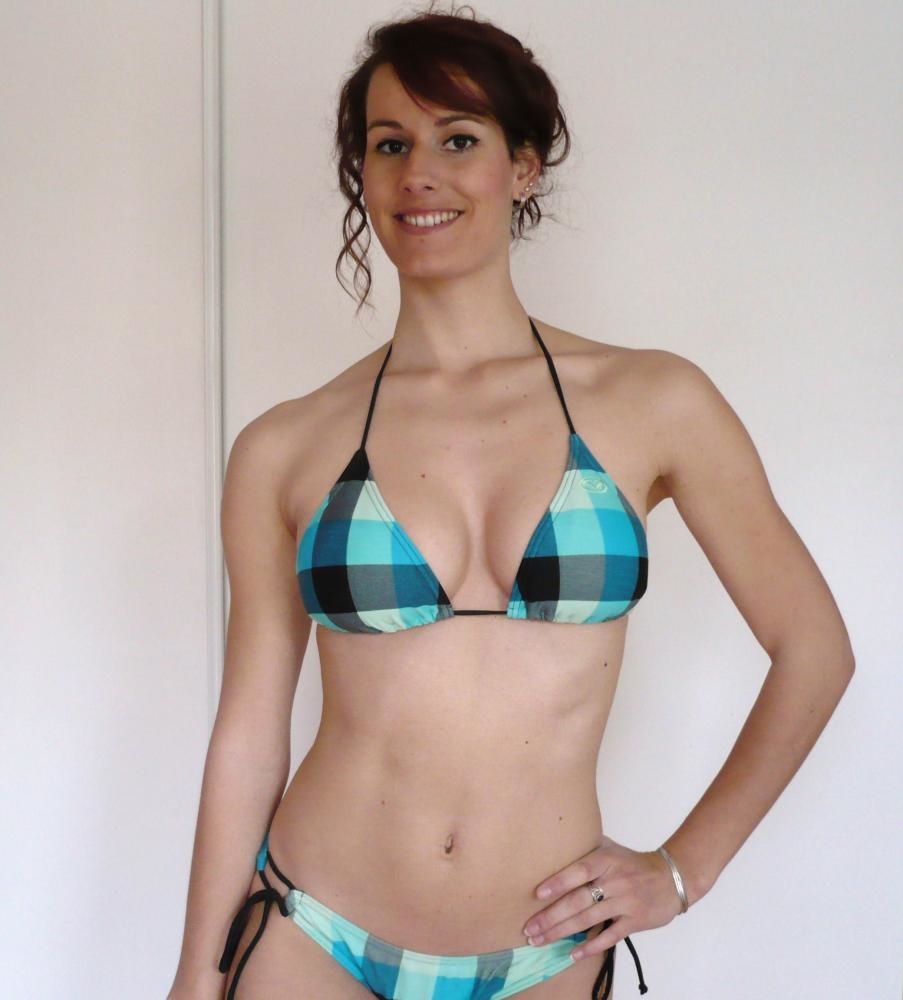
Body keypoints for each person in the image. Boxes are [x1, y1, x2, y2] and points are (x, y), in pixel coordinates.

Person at [167, 5, 854, 999]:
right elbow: (247, 732)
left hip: (544, 949)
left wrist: (681, 871)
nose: (420, 173)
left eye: (459, 139)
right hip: (311, 928)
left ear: (523, 166)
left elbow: (814, 649)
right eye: (389, 144)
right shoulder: (284, 445)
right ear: (361, 173)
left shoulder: (653, 401)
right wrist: (196, 974)